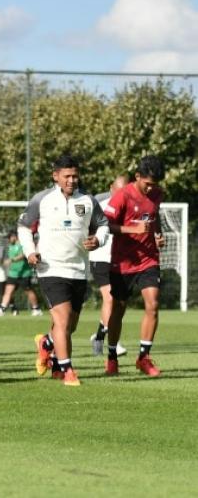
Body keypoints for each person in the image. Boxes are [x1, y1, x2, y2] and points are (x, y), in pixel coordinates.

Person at [21, 155, 109, 386]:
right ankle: (68, 370)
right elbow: (23, 227)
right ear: (56, 176)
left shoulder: (88, 201)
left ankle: (47, 346)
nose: (71, 180)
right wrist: (30, 251)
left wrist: (98, 240)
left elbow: (103, 225)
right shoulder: (42, 199)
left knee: (70, 326)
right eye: (67, 176)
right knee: (62, 319)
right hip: (50, 268)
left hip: (78, 269)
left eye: (75, 175)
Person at [103, 156, 167, 377]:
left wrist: (158, 234)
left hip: (148, 259)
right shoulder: (123, 195)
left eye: (154, 184)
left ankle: (143, 357)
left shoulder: (158, 194)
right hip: (122, 262)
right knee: (118, 308)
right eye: (147, 183)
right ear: (137, 176)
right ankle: (111, 357)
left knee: (153, 303)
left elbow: (154, 216)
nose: (150, 188)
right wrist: (134, 230)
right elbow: (106, 226)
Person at [89, 175, 129, 357]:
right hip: (100, 257)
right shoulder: (101, 206)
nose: (122, 194)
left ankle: (99, 336)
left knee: (119, 302)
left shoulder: (131, 207)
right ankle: (114, 342)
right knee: (110, 299)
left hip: (120, 260)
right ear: (111, 188)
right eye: (119, 189)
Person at [0, 232, 41, 317]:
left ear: (14, 237)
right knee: (8, 291)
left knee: (28, 291)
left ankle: (36, 309)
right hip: (12, 273)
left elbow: (23, 255)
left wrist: (12, 260)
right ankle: (2, 309)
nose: (8, 240)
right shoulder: (10, 246)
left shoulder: (23, 245)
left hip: (24, 273)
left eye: (9, 238)